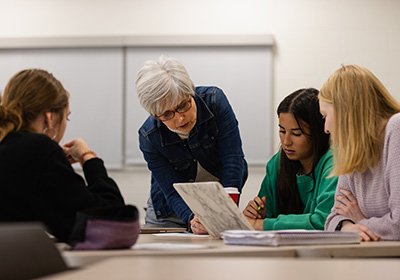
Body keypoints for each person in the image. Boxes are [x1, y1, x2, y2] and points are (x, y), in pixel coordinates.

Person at [0, 69, 125, 242]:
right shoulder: (39, 149)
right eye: (67, 118)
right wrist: (88, 158)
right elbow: (115, 224)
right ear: (49, 118)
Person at [135, 55, 248, 233]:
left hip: (216, 203)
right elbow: (171, 190)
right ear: (155, 115)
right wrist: (192, 220)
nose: (180, 118)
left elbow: (233, 160)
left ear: (190, 92)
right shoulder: (149, 136)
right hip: (170, 212)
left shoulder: (214, 101)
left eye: (183, 105)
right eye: (167, 114)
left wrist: (225, 214)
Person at [320, 65, 400, 241]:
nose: (325, 129)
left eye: (325, 116)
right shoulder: (354, 149)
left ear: (345, 110)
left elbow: (398, 224)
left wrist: (361, 221)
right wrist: (348, 227)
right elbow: (333, 218)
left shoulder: (397, 128)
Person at [243, 88, 337, 230]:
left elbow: (324, 221)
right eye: (282, 131)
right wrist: (258, 215)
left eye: (296, 133)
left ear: (318, 132)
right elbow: (263, 216)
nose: (286, 141)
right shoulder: (277, 164)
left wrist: (263, 224)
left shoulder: (334, 164)